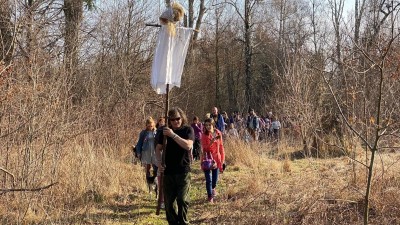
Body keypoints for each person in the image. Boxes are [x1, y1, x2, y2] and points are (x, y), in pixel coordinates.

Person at [155, 107, 194, 225]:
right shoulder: (164, 132)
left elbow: (188, 145)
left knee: (182, 200)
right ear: (169, 121)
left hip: (183, 170)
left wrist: (173, 135)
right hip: (168, 172)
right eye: (173, 120)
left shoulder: (188, 130)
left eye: (178, 118)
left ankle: (183, 222)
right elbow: (158, 148)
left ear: (182, 118)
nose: (176, 121)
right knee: (169, 203)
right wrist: (159, 163)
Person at [201, 118, 225, 203]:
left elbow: (221, 146)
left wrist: (222, 160)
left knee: (214, 180)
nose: (207, 127)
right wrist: (211, 142)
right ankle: (210, 196)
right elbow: (204, 148)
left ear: (213, 125)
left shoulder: (218, 133)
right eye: (206, 125)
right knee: (209, 179)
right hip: (207, 159)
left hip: (216, 158)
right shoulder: (204, 135)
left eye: (209, 125)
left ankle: (213, 188)